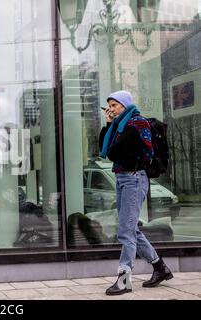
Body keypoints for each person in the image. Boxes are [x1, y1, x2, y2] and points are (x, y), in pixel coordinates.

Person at [99, 90, 173, 296]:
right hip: (122, 178)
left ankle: (124, 278)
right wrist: (108, 124)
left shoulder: (137, 123)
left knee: (125, 230)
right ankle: (160, 268)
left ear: (124, 105)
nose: (111, 110)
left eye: (114, 105)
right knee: (131, 229)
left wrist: (115, 132)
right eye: (109, 106)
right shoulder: (119, 126)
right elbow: (104, 149)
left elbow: (115, 151)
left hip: (134, 178)